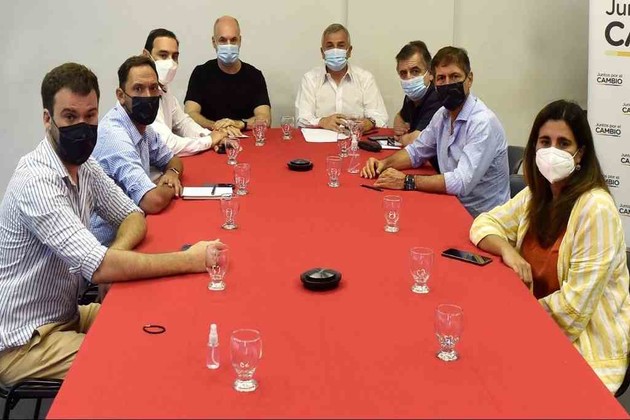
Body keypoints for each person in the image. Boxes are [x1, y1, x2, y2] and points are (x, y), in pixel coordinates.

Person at [0, 63, 223, 385]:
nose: (82, 126)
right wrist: (190, 260)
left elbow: (133, 215)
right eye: (70, 117)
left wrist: (114, 254)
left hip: (66, 314)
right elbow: (101, 266)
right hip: (25, 340)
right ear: (48, 119)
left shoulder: (84, 166)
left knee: (164, 323)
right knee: (138, 357)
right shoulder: (37, 182)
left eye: (90, 115)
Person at [469, 100, 630, 393]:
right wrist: (508, 252)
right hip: (534, 324)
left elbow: (573, 311)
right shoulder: (537, 195)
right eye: (545, 142)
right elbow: (483, 224)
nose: (552, 150)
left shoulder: (596, 209)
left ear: (580, 153)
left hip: (584, 348)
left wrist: (511, 316)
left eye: (563, 143)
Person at [361, 46, 509, 217]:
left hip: (482, 219)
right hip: (450, 204)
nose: (448, 84)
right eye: (441, 78)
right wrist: (383, 164)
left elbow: (461, 182)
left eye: (455, 77)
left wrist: (407, 181)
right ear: (434, 81)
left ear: (469, 79)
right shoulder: (442, 115)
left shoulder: (482, 122)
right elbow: (416, 151)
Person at [91, 55, 184, 247]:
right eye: (138, 89)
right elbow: (153, 201)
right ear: (121, 95)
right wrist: (169, 185)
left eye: (153, 88)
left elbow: (173, 159)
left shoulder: (141, 125)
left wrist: (172, 173)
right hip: (108, 246)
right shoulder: (115, 136)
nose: (148, 96)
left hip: (135, 231)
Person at [142, 28, 226, 156]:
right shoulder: (142, 94)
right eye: (163, 55)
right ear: (146, 56)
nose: (170, 63)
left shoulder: (164, 88)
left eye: (174, 56)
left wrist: (212, 135)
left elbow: (183, 123)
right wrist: (209, 140)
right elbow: (167, 145)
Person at [184, 16, 271, 134]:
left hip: (247, 139)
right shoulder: (200, 73)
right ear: (214, 42)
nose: (229, 45)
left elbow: (265, 118)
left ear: (240, 41)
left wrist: (239, 124)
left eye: (233, 40)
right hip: (212, 139)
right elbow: (190, 114)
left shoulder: (254, 75)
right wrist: (216, 126)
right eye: (223, 40)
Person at [295, 23, 388, 132]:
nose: (335, 50)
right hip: (320, 140)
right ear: (322, 53)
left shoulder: (365, 78)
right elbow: (302, 118)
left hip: (356, 138)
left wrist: (369, 122)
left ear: (349, 51)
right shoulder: (310, 79)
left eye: (340, 45)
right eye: (330, 46)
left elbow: (381, 117)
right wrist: (322, 121)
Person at [393, 41, 442, 147]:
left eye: (415, 71)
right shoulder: (411, 97)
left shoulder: (437, 98)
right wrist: (399, 120)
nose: (409, 78)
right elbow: (401, 115)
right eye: (403, 73)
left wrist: (402, 138)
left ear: (430, 73)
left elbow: (418, 140)